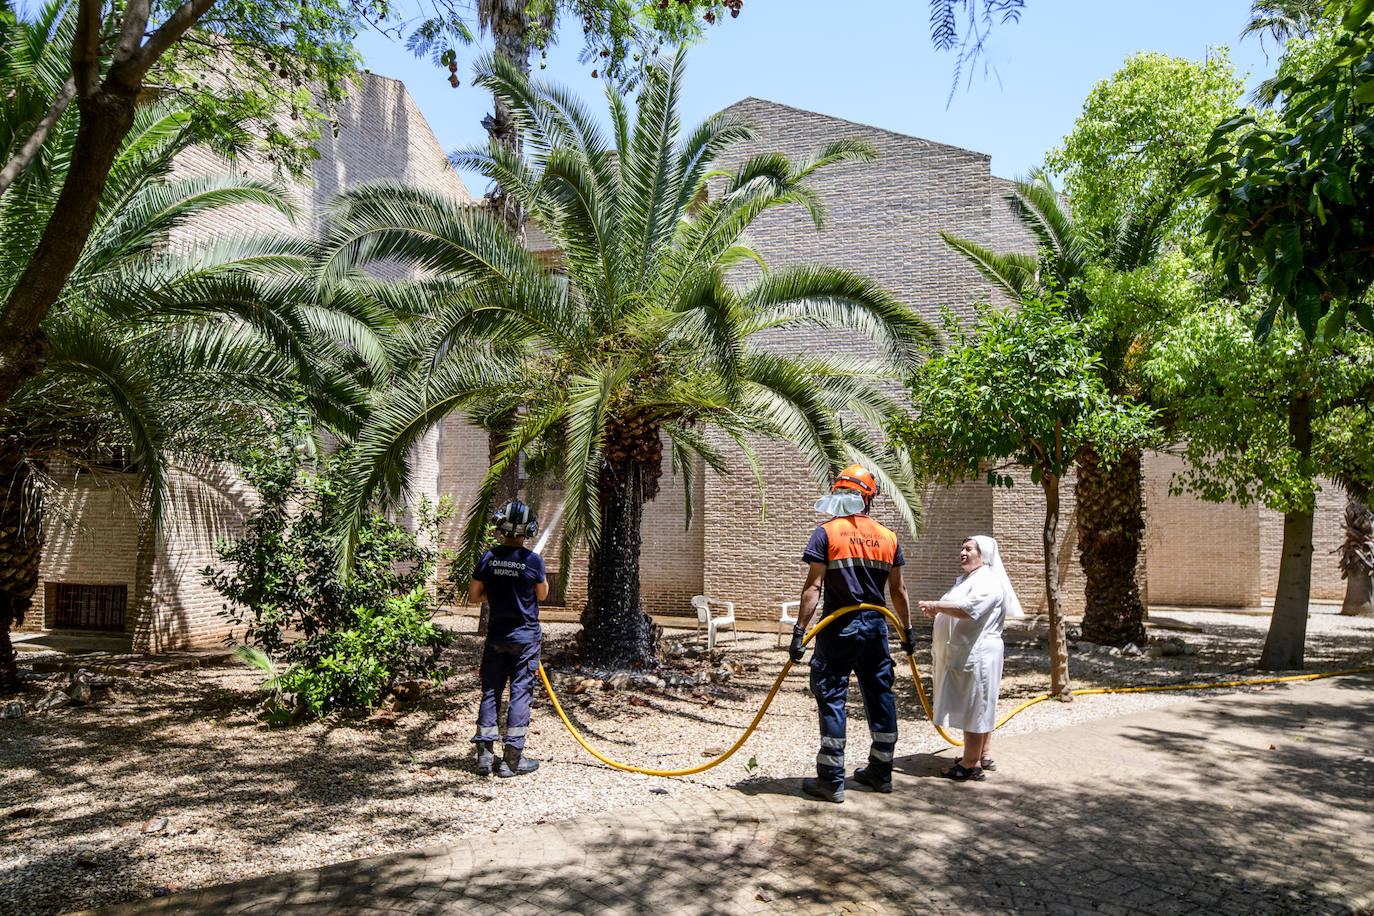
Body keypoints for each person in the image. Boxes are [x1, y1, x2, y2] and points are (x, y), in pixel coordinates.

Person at [790, 464, 914, 803]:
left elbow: (813, 587)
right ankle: (881, 772)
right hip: (876, 628)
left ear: (839, 495)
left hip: (838, 627)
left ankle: (831, 780)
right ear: (869, 498)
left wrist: (799, 632)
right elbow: (899, 592)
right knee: (880, 694)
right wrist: (907, 632)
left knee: (832, 696)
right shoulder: (889, 538)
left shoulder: (827, 532)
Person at [918, 535, 1023, 781]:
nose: (962, 552)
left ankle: (969, 765)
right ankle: (982, 754)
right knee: (980, 702)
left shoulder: (987, 580)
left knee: (975, 705)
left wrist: (936, 606)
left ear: (983, 554)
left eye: (969, 549)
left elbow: (969, 610)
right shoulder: (971, 579)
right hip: (969, 651)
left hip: (978, 653)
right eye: (961, 548)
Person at [469, 499, 548, 778]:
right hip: (525, 640)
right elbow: (542, 595)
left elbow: (475, 596)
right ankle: (512, 760)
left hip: (496, 638)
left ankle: (484, 756)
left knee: (491, 691)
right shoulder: (534, 561)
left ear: (501, 527)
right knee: (520, 694)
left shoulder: (488, 558)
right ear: (529, 530)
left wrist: (500, 595)